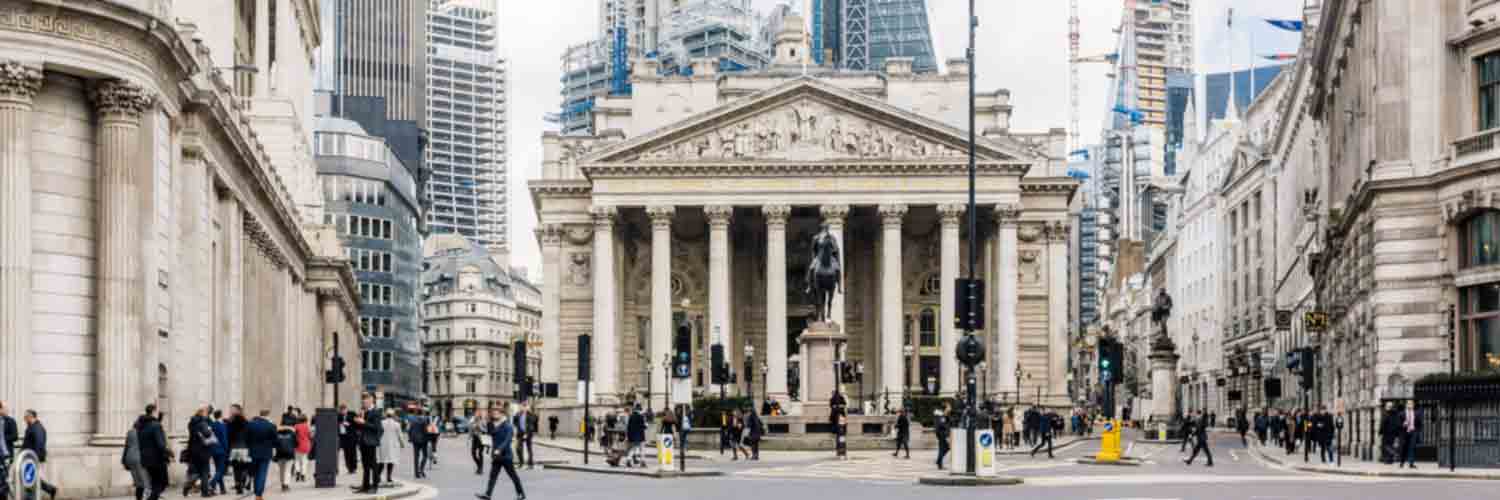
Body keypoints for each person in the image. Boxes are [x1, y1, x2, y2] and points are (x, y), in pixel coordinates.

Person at [476, 404, 525, 500]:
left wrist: (500, 449)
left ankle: (521, 494)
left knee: (513, 476)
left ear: (502, 414)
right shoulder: (494, 424)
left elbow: (507, 440)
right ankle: (488, 494)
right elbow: (490, 433)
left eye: (496, 413)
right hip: (496, 456)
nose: (494, 414)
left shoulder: (508, 425)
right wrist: (485, 423)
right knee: (492, 476)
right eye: (493, 413)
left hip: (506, 456)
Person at [134, 406, 167, 500]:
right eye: (157, 411)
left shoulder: (141, 425)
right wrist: (167, 452)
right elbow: (160, 444)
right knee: (161, 483)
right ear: (153, 412)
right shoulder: (155, 425)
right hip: (157, 459)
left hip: (145, 458)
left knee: (154, 483)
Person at [243, 410, 278, 500]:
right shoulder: (271, 425)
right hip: (266, 453)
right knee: (262, 473)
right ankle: (259, 494)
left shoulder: (251, 424)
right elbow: (275, 440)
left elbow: (246, 438)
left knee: (255, 473)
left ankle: (256, 491)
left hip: (253, 452)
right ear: (268, 415)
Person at [354, 394, 385, 493]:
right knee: (365, 465)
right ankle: (365, 486)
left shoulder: (376, 412)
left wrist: (363, 422)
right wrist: (357, 422)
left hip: (370, 442)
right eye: (363, 402)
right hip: (363, 441)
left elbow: (377, 428)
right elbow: (362, 427)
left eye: (365, 401)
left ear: (371, 400)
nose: (364, 403)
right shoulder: (364, 412)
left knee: (373, 465)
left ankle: (375, 487)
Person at [184, 406, 216, 497]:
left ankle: (187, 486)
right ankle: (205, 492)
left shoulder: (191, 423)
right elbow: (207, 433)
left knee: (196, 471)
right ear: (203, 413)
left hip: (193, 450)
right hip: (203, 450)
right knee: (205, 472)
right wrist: (209, 430)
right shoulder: (203, 423)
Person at [122, 410, 149, 500]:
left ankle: (139, 498)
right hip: (140, 458)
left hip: (130, 458)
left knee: (138, 482)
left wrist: (123, 460)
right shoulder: (144, 432)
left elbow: (126, 447)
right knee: (145, 482)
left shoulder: (130, 432)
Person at [228, 404, 252, 494]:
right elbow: (249, 436)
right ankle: (242, 482)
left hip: (234, 448)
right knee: (244, 467)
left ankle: (238, 484)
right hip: (244, 447)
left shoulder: (230, 423)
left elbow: (229, 436)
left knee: (236, 467)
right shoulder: (246, 423)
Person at [377, 409, 403, 486]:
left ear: (386, 415)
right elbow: (400, 435)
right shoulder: (397, 424)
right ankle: (388, 477)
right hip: (392, 445)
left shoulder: (381, 423)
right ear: (393, 415)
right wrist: (402, 444)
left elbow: (378, 433)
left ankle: (378, 476)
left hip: (383, 444)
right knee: (391, 461)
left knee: (381, 461)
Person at [1399, 400, 1420, 469]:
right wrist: (1403, 424)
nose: (1410, 405)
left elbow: (1419, 423)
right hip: (1404, 432)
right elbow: (1397, 424)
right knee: (1404, 448)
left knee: (1412, 447)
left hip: (1413, 432)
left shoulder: (1416, 413)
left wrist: (1417, 431)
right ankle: (1402, 462)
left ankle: (1411, 463)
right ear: (1406, 405)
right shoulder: (1401, 413)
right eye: (1408, 404)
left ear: (1413, 405)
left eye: (1411, 404)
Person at [513, 404, 536, 470]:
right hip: (520, 433)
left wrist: (527, 433)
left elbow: (531, 423)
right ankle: (521, 463)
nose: (523, 408)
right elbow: (515, 421)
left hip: (528, 433)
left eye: (525, 407)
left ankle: (530, 464)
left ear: (527, 408)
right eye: (522, 407)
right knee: (518, 448)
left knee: (529, 448)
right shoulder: (519, 414)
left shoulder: (530, 414)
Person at [339, 404, 358, 475]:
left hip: (352, 436)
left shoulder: (352, 414)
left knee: (353, 452)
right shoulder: (339, 416)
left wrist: (349, 424)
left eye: (344, 410)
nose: (342, 412)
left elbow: (357, 424)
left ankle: (354, 468)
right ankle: (349, 468)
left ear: (346, 409)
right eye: (341, 410)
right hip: (344, 437)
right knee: (346, 453)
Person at [294, 415, 312, 483]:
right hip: (305, 445)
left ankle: (298, 471)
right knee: (304, 460)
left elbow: (293, 435)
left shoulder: (296, 426)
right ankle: (303, 474)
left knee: (297, 460)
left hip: (297, 445)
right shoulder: (307, 426)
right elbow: (310, 436)